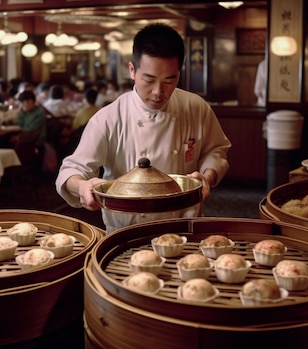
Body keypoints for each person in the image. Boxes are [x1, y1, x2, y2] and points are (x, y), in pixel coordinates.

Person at [55, 23, 231, 233]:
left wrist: (207, 176)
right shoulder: (109, 118)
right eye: (149, 79)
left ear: (179, 73)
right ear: (132, 70)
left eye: (169, 80)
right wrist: (81, 186)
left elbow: (215, 150)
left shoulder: (196, 108)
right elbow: (72, 170)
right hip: (125, 232)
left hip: (185, 227)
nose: (159, 91)